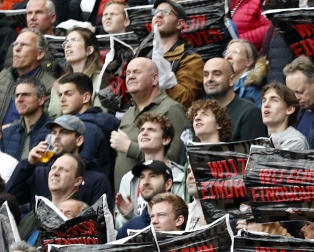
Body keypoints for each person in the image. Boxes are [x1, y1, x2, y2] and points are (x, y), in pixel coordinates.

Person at [5, 115, 113, 208]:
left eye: (64, 132)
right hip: (38, 231)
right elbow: (11, 199)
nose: (56, 137)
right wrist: (28, 164)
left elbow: (101, 224)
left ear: (79, 140)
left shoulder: (97, 180)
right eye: (53, 132)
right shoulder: (40, 172)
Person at [112, 57, 188, 187]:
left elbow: (173, 158)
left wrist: (130, 147)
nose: (130, 76)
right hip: (125, 198)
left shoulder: (171, 108)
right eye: (128, 73)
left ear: (154, 79)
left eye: (137, 72)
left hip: (156, 198)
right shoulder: (128, 113)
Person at [0, 30, 56, 130]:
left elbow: (40, 122)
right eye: (15, 44)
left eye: (24, 45)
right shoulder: (2, 77)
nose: (16, 48)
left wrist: (4, 130)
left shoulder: (50, 86)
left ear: (40, 54)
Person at [202, 57, 267, 141]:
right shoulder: (197, 114)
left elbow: (252, 152)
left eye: (217, 74)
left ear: (232, 80)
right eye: (206, 75)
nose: (210, 79)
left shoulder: (249, 112)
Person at [261, 83, 308, 151]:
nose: (266, 105)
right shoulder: (261, 143)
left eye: (274, 100)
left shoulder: (296, 142)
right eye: (264, 101)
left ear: (289, 109)